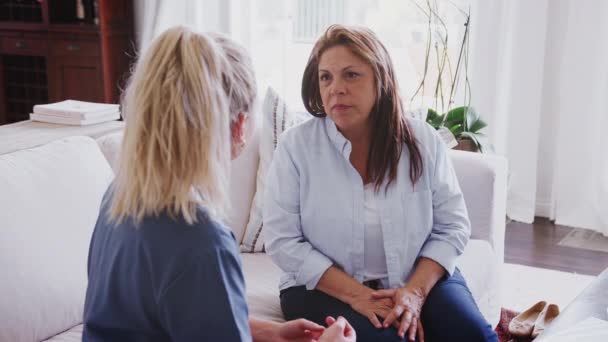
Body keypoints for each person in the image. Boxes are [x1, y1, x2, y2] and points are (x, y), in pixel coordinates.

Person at [82, 26, 355, 342]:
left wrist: (271, 331)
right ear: (240, 125)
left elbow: (167, 316)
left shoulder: (120, 193)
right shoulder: (201, 240)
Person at [263, 24, 499, 342]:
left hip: (414, 276)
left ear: (380, 80)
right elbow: (283, 240)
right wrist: (357, 295)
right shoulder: (296, 147)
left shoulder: (423, 141)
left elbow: (453, 226)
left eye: (351, 75)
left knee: (474, 336)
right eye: (326, 77)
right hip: (320, 288)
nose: (336, 88)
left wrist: (414, 292)